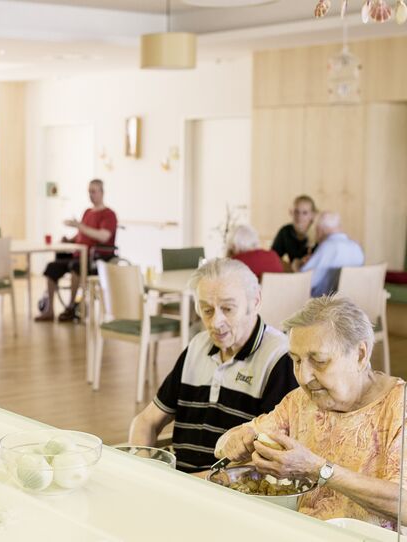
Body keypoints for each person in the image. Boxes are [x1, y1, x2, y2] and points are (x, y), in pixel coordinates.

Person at [215, 296, 405, 530]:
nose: (303, 377)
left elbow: (403, 504)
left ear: (360, 355)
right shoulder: (300, 402)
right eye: (296, 360)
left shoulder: (399, 407)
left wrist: (319, 470)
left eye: (319, 361)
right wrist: (235, 439)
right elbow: (226, 443)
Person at [128, 258, 298, 473]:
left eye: (227, 309)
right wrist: (141, 465)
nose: (215, 322)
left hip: (230, 491)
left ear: (255, 301)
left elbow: (268, 458)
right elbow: (146, 421)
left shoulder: (279, 358)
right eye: (207, 310)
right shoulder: (197, 346)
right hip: (179, 480)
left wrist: (188, 483)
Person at [35, 179, 118, 322]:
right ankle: (49, 310)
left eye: (94, 191)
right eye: (89, 191)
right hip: (78, 255)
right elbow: (82, 235)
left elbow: (104, 237)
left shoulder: (108, 214)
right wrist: (70, 240)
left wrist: (79, 226)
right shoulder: (87, 212)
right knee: (52, 267)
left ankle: (72, 307)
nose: (91, 195)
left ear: (102, 193)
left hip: (97, 259)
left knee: (76, 267)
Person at [296, 211, 364, 297]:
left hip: (325, 305)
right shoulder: (356, 246)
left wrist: (298, 265)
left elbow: (304, 282)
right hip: (352, 304)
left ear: (321, 230)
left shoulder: (328, 246)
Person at [271, 195, 317, 266]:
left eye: (305, 213)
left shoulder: (319, 234)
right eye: (296, 211)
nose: (299, 216)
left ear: (312, 215)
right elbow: (273, 257)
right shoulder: (285, 231)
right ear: (291, 212)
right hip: (293, 273)